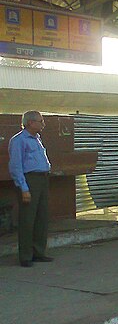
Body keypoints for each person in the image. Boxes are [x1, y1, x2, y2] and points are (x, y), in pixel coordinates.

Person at [8, 110, 52, 267]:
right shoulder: (19, 141)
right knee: (28, 218)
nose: (43, 124)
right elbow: (16, 166)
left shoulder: (37, 139)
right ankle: (26, 256)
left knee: (42, 217)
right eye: (40, 121)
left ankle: (39, 252)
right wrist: (23, 188)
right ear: (30, 123)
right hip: (29, 180)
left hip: (42, 179)